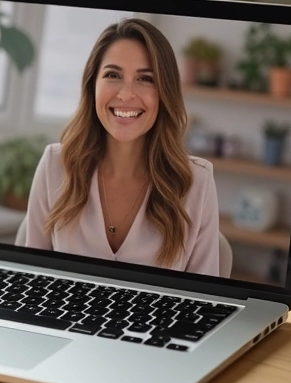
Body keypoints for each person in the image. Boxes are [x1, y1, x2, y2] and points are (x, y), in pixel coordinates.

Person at [22, 18, 221, 276]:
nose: (126, 94)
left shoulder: (198, 181)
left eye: (145, 78)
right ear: (92, 85)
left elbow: (206, 299)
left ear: (165, 93)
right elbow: (29, 277)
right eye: (113, 75)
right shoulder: (55, 165)